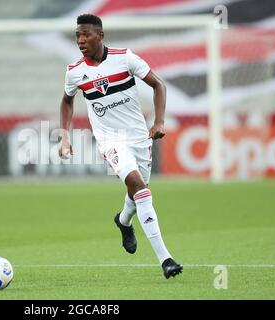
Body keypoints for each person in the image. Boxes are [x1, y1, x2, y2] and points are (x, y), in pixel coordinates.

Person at [58, 13, 183, 279]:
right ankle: (166, 259)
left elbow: (158, 85)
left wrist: (159, 121)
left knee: (139, 193)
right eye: (77, 35)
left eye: (85, 35)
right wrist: (64, 135)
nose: (80, 40)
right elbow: (67, 101)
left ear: (100, 36)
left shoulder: (125, 58)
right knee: (138, 186)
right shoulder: (75, 71)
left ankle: (123, 221)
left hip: (139, 137)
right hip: (109, 138)